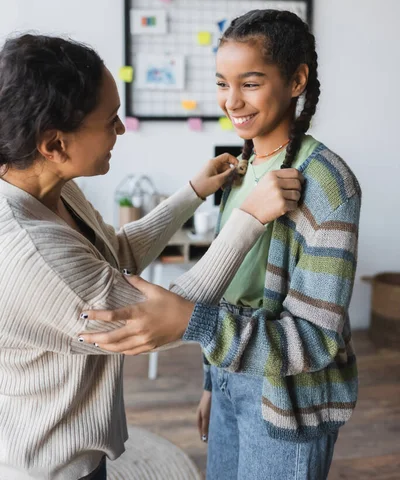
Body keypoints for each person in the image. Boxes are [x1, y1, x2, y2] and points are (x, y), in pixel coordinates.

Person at [0, 34, 298, 480]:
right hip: (47, 465)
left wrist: (193, 192)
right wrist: (249, 217)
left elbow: (116, 254)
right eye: (110, 120)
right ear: (54, 144)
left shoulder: (48, 188)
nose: (120, 130)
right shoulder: (32, 253)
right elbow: (157, 322)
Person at [81, 10, 362, 480]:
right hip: (232, 374)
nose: (232, 101)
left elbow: (316, 340)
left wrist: (199, 328)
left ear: (296, 80)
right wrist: (215, 381)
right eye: (221, 83)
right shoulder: (238, 168)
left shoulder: (329, 185)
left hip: (285, 399)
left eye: (250, 83)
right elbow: (229, 290)